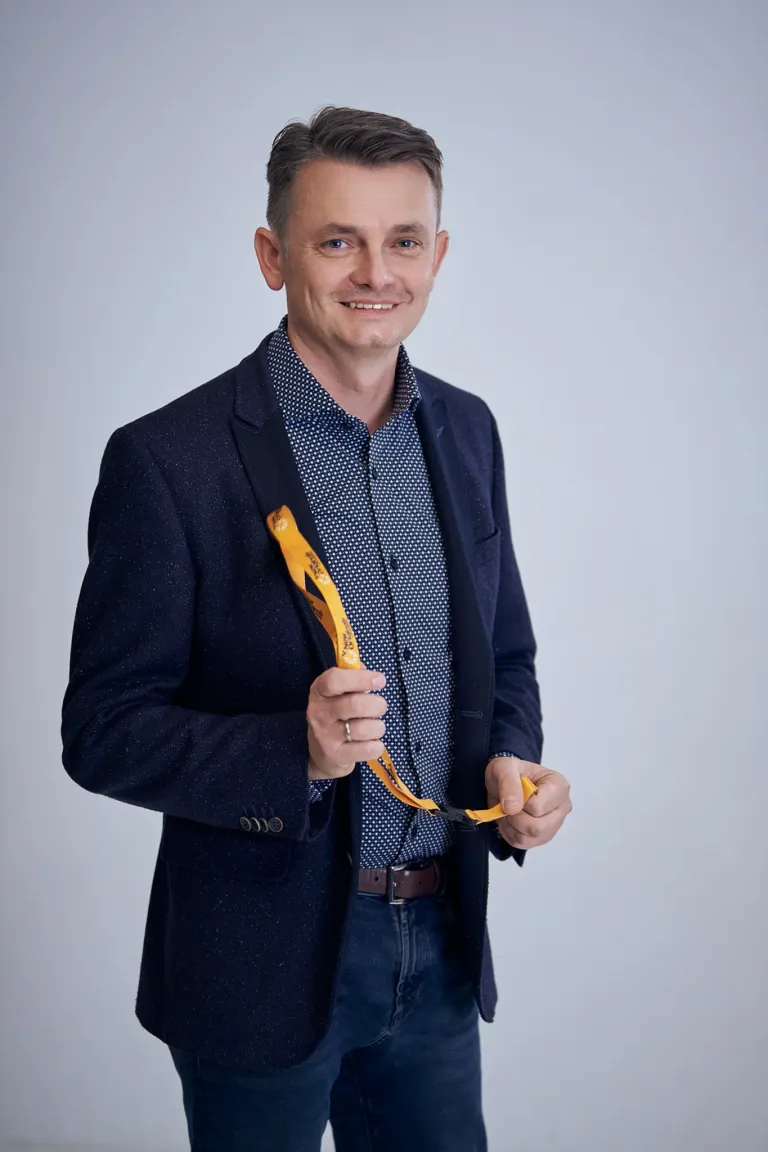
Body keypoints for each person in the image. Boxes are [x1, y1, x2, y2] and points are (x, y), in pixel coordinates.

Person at [61, 105, 572, 1151]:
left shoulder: (468, 430)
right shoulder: (169, 461)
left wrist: (513, 761)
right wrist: (288, 749)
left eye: (404, 241)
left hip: (440, 942)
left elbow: (505, 655)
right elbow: (103, 728)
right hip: (257, 966)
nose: (374, 272)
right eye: (337, 240)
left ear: (438, 256)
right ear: (271, 255)